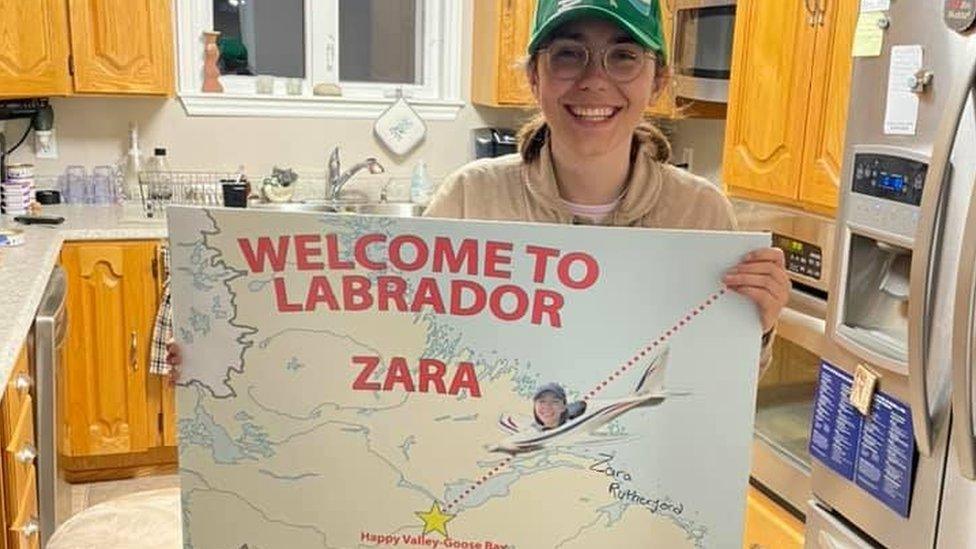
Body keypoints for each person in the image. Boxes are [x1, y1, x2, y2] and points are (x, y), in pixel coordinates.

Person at [165, 0, 788, 374]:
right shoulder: (469, 198)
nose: (595, 81)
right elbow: (384, 338)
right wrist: (239, 364)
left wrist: (756, 325)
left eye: (624, 56)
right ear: (535, 78)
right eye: (569, 54)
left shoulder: (700, 213)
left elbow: (720, 384)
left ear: (656, 81)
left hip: (624, 490)